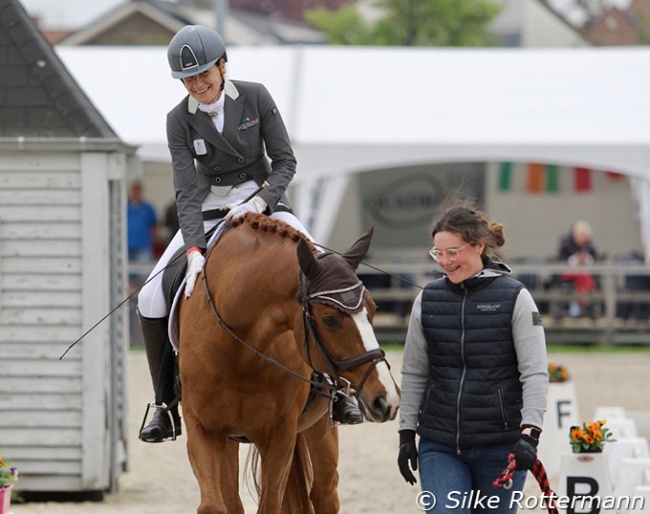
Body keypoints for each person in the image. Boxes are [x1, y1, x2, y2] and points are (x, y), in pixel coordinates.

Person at [136, 25, 362, 443]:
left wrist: (259, 201)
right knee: (150, 294)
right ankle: (165, 404)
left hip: (265, 201)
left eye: (204, 74)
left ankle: (338, 390)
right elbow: (185, 190)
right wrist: (193, 248)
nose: (198, 84)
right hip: (204, 209)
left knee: (324, 272)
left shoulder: (255, 96)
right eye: (188, 79)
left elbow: (285, 162)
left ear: (223, 66)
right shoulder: (178, 120)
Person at [397, 200, 548, 513]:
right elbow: (414, 372)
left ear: (479, 246)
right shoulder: (427, 300)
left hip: (501, 446)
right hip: (439, 445)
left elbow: (534, 372)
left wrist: (530, 434)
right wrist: (406, 433)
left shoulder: (516, 297)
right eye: (438, 253)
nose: (445, 262)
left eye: (453, 252)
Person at [557, 220, 598, 317]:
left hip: (583, 274)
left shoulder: (590, 247)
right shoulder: (566, 246)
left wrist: (586, 259)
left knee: (583, 275)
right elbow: (561, 261)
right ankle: (583, 302)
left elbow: (595, 261)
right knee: (584, 275)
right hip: (567, 273)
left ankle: (578, 302)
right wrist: (575, 259)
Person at [127, 180, 158, 288]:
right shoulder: (125, 207)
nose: (135, 193)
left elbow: (154, 226)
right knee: (127, 277)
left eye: (137, 190)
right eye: (133, 190)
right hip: (127, 247)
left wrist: (153, 240)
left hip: (143, 246)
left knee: (144, 276)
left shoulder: (148, 208)